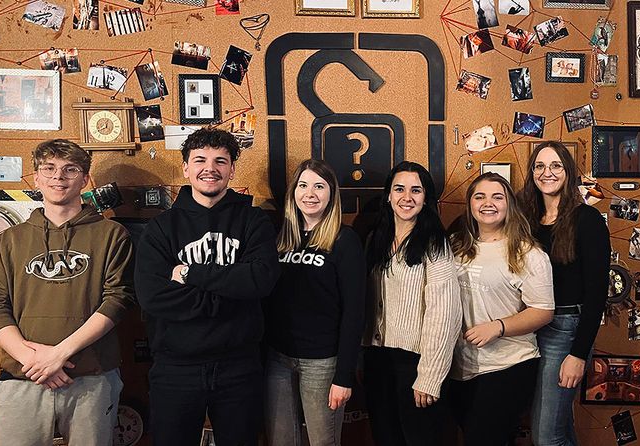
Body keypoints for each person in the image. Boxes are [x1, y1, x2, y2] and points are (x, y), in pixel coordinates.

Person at [0, 139, 135, 445]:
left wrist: (58, 355)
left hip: (92, 379)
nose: (58, 177)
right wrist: (34, 361)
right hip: (22, 378)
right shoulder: (10, 240)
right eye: (48, 169)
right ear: (35, 177)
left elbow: (118, 300)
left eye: (69, 169)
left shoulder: (111, 235)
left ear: (86, 179)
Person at [134, 128, 280, 446]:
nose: (209, 168)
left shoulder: (254, 221)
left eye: (220, 160)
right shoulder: (160, 228)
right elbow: (153, 297)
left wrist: (189, 275)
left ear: (231, 169)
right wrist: (230, 295)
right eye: (199, 159)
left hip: (238, 366)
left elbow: (261, 280)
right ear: (186, 167)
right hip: (175, 368)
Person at [263, 159, 365, 446]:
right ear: (293, 192)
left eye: (319, 186)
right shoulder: (278, 237)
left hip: (323, 362)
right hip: (278, 358)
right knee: (280, 441)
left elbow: (354, 312)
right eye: (303, 185)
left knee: (323, 441)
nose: (310, 193)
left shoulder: (344, 240)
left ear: (331, 194)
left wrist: (344, 375)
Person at [449, 172, 554, 446]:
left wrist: (498, 327)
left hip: (508, 366)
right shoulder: (455, 247)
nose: (488, 203)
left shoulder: (528, 253)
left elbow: (543, 311)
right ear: (470, 204)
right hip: (460, 368)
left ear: (509, 204)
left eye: (498, 196)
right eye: (479, 196)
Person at [364, 161, 462, 446]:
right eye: (399, 189)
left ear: (426, 198)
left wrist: (430, 376)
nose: (407, 197)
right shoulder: (375, 239)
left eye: (416, 190)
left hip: (416, 363)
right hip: (378, 359)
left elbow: (444, 315)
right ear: (388, 195)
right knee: (385, 438)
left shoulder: (435, 244)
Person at [520, 141, 611, 446]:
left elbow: (597, 292)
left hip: (566, 330)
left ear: (569, 172)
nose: (547, 173)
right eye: (540, 166)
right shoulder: (525, 220)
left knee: (546, 436)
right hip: (528, 327)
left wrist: (578, 354)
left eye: (556, 165)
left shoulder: (587, 220)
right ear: (532, 172)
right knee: (557, 426)